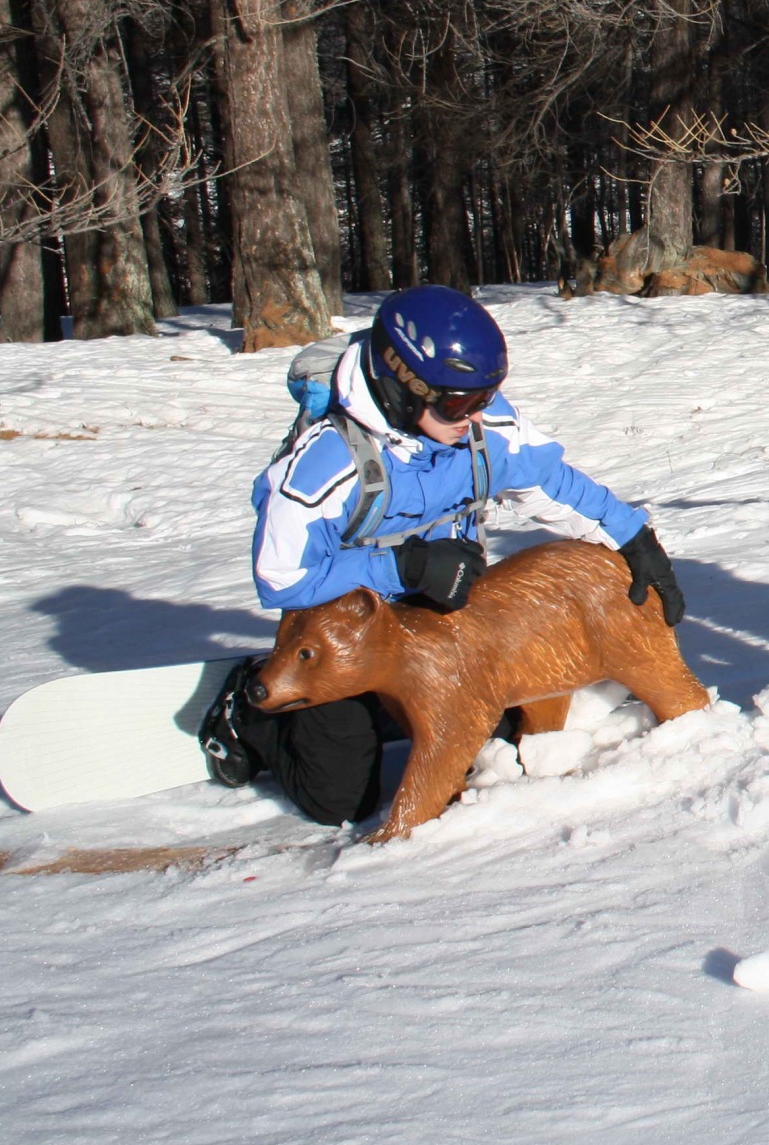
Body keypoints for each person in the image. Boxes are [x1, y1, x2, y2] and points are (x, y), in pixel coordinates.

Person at [200, 285, 685, 826]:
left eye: (486, 397)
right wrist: (402, 566)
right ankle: (249, 711)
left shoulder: (476, 424)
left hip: (443, 608)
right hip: (345, 627)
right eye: (458, 403)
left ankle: (393, 709)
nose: (475, 416)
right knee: (338, 799)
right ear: (404, 386)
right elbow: (282, 578)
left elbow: (549, 483)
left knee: (489, 726)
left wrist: (633, 539)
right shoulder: (325, 462)